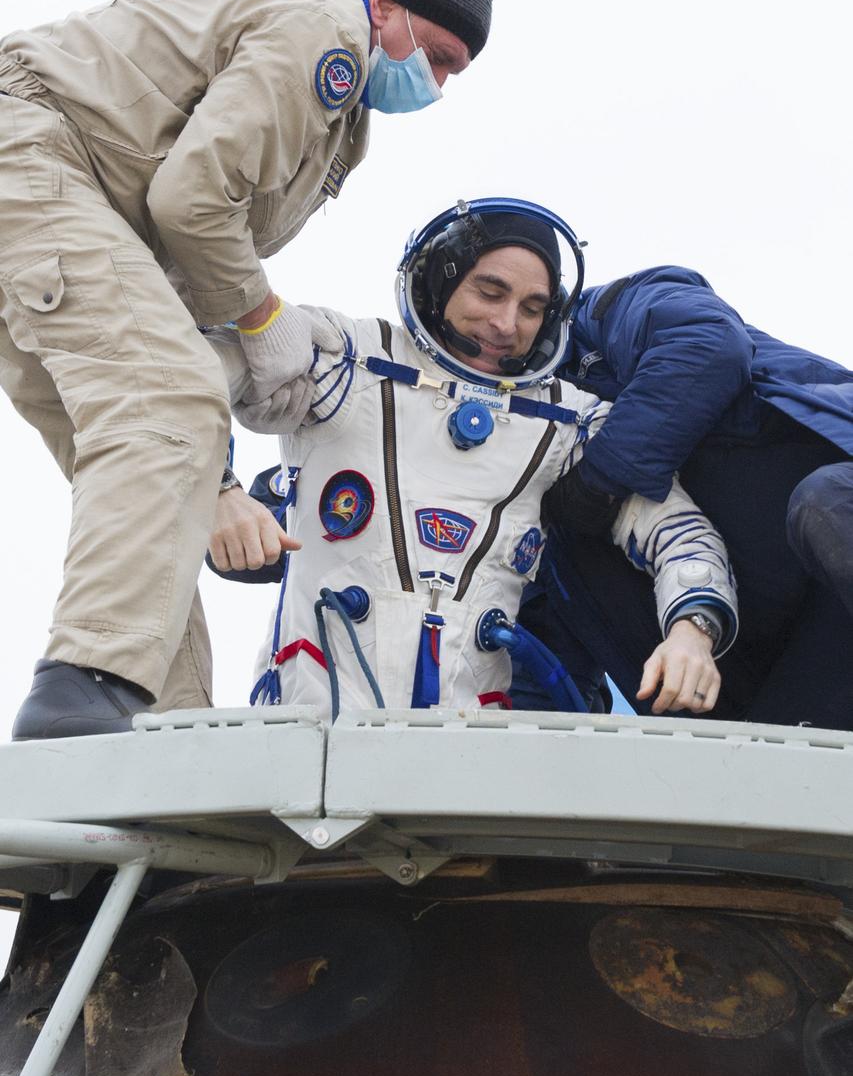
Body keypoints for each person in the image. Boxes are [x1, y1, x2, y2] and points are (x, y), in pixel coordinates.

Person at [0, 0, 505, 740]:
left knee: (166, 473)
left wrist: (226, 484)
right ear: (385, 8)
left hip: (65, 197)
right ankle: (83, 688)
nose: (438, 85)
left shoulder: (342, 117)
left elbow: (175, 267)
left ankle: (158, 744)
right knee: (170, 403)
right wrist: (263, 318)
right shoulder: (325, 33)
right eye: (439, 56)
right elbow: (192, 202)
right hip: (35, 157)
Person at [206, 200, 738, 719]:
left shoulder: (563, 423)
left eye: (532, 309)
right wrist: (218, 491)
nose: (507, 323)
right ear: (441, 278)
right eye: (490, 292)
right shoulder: (347, 360)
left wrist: (693, 630)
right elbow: (179, 369)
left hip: (465, 756)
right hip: (309, 729)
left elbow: (678, 531)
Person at [528, 264, 853, 728]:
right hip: (794, 642)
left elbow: (709, 344)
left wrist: (594, 485)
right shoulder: (524, 487)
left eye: (528, 305)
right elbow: (544, 664)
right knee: (756, 775)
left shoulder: (605, 315)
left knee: (823, 502)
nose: (503, 325)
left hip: (836, 507)